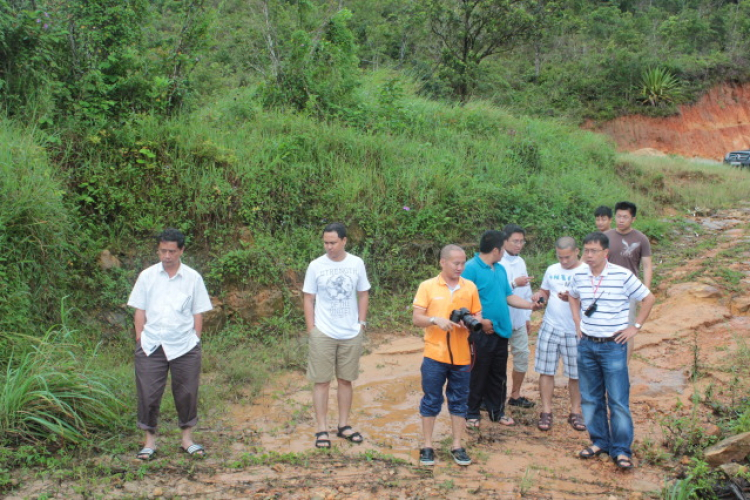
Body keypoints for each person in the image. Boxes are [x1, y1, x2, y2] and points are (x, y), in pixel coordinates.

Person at [568, 232, 656, 470]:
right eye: (586, 250)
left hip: (613, 345)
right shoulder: (579, 275)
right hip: (587, 344)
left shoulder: (622, 275)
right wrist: (577, 322)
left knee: (617, 400)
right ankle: (599, 442)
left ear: (606, 253)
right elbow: (573, 297)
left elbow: (648, 298)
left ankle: (621, 450)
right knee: (590, 398)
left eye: (594, 251)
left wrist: (635, 327)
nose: (589, 255)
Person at [128, 228, 213, 461]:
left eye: (171, 251)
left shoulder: (193, 278)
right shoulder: (147, 276)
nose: (166, 256)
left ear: (181, 251)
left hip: (184, 345)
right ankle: (149, 442)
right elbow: (140, 310)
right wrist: (139, 339)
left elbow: (198, 312)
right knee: (148, 393)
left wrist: (195, 339)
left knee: (186, 393)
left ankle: (187, 439)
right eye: (162, 251)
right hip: (151, 344)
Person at [463, 231, 540, 429]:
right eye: (503, 249)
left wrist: (529, 306)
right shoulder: (471, 269)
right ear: (496, 249)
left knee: (498, 373)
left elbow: (508, 296)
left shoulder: (500, 269)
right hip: (481, 332)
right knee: (478, 372)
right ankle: (471, 412)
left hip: (501, 331)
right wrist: (481, 321)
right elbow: (462, 302)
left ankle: (497, 411)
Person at [413, 245, 482, 467]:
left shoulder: (469, 287)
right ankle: (427, 445)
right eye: (456, 263)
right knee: (431, 399)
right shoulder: (427, 287)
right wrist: (436, 320)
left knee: (459, 401)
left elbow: (478, 316)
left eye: (463, 263)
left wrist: (471, 323)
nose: (460, 267)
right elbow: (417, 318)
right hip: (435, 354)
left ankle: (457, 445)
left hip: (462, 356)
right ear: (443, 262)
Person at [303, 222, 370, 449]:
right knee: (321, 381)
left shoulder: (356, 263)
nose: (328, 247)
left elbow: (363, 293)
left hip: (351, 331)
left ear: (344, 241)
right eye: (325, 242)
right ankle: (322, 428)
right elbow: (308, 297)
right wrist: (312, 328)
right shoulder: (316, 266)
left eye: (333, 242)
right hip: (323, 331)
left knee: (345, 380)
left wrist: (361, 323)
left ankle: (343, 425)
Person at [531, 237, 587, 432]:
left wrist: (572, 299)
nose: (563, 261)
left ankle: (576, 411)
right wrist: (540, 297)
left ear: (577, 251)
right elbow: (545, 291)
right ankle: (546, 411)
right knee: (546, 370)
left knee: (576, 373)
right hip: (550, 326)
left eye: (567, 257)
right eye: (560, 257)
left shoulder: (586, 272)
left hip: (575, 329)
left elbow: (592, 301)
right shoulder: (552, 270)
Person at [604, 201, 653, 359]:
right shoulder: (606, 237)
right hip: (605, 287)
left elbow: (646, 265)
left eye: (625, 217)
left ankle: (625, 365)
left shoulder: (641, 239)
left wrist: (645, 290)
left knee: (628, 328)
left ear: (633, 219)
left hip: (629, 290)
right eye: (618, 216)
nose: (621, 220)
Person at [500, 224, 535, 408]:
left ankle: (515, 395)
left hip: (519, 319)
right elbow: (498, 290)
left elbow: (526, 290)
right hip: (500, 320)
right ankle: (493, 396)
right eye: (515, 241)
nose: (519, 245)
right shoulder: (498, 262)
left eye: (521, 241)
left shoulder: (520, 262)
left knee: (522, 356)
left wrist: (527, 316)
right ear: (505, 241)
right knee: (497, 360)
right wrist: (514, 282)